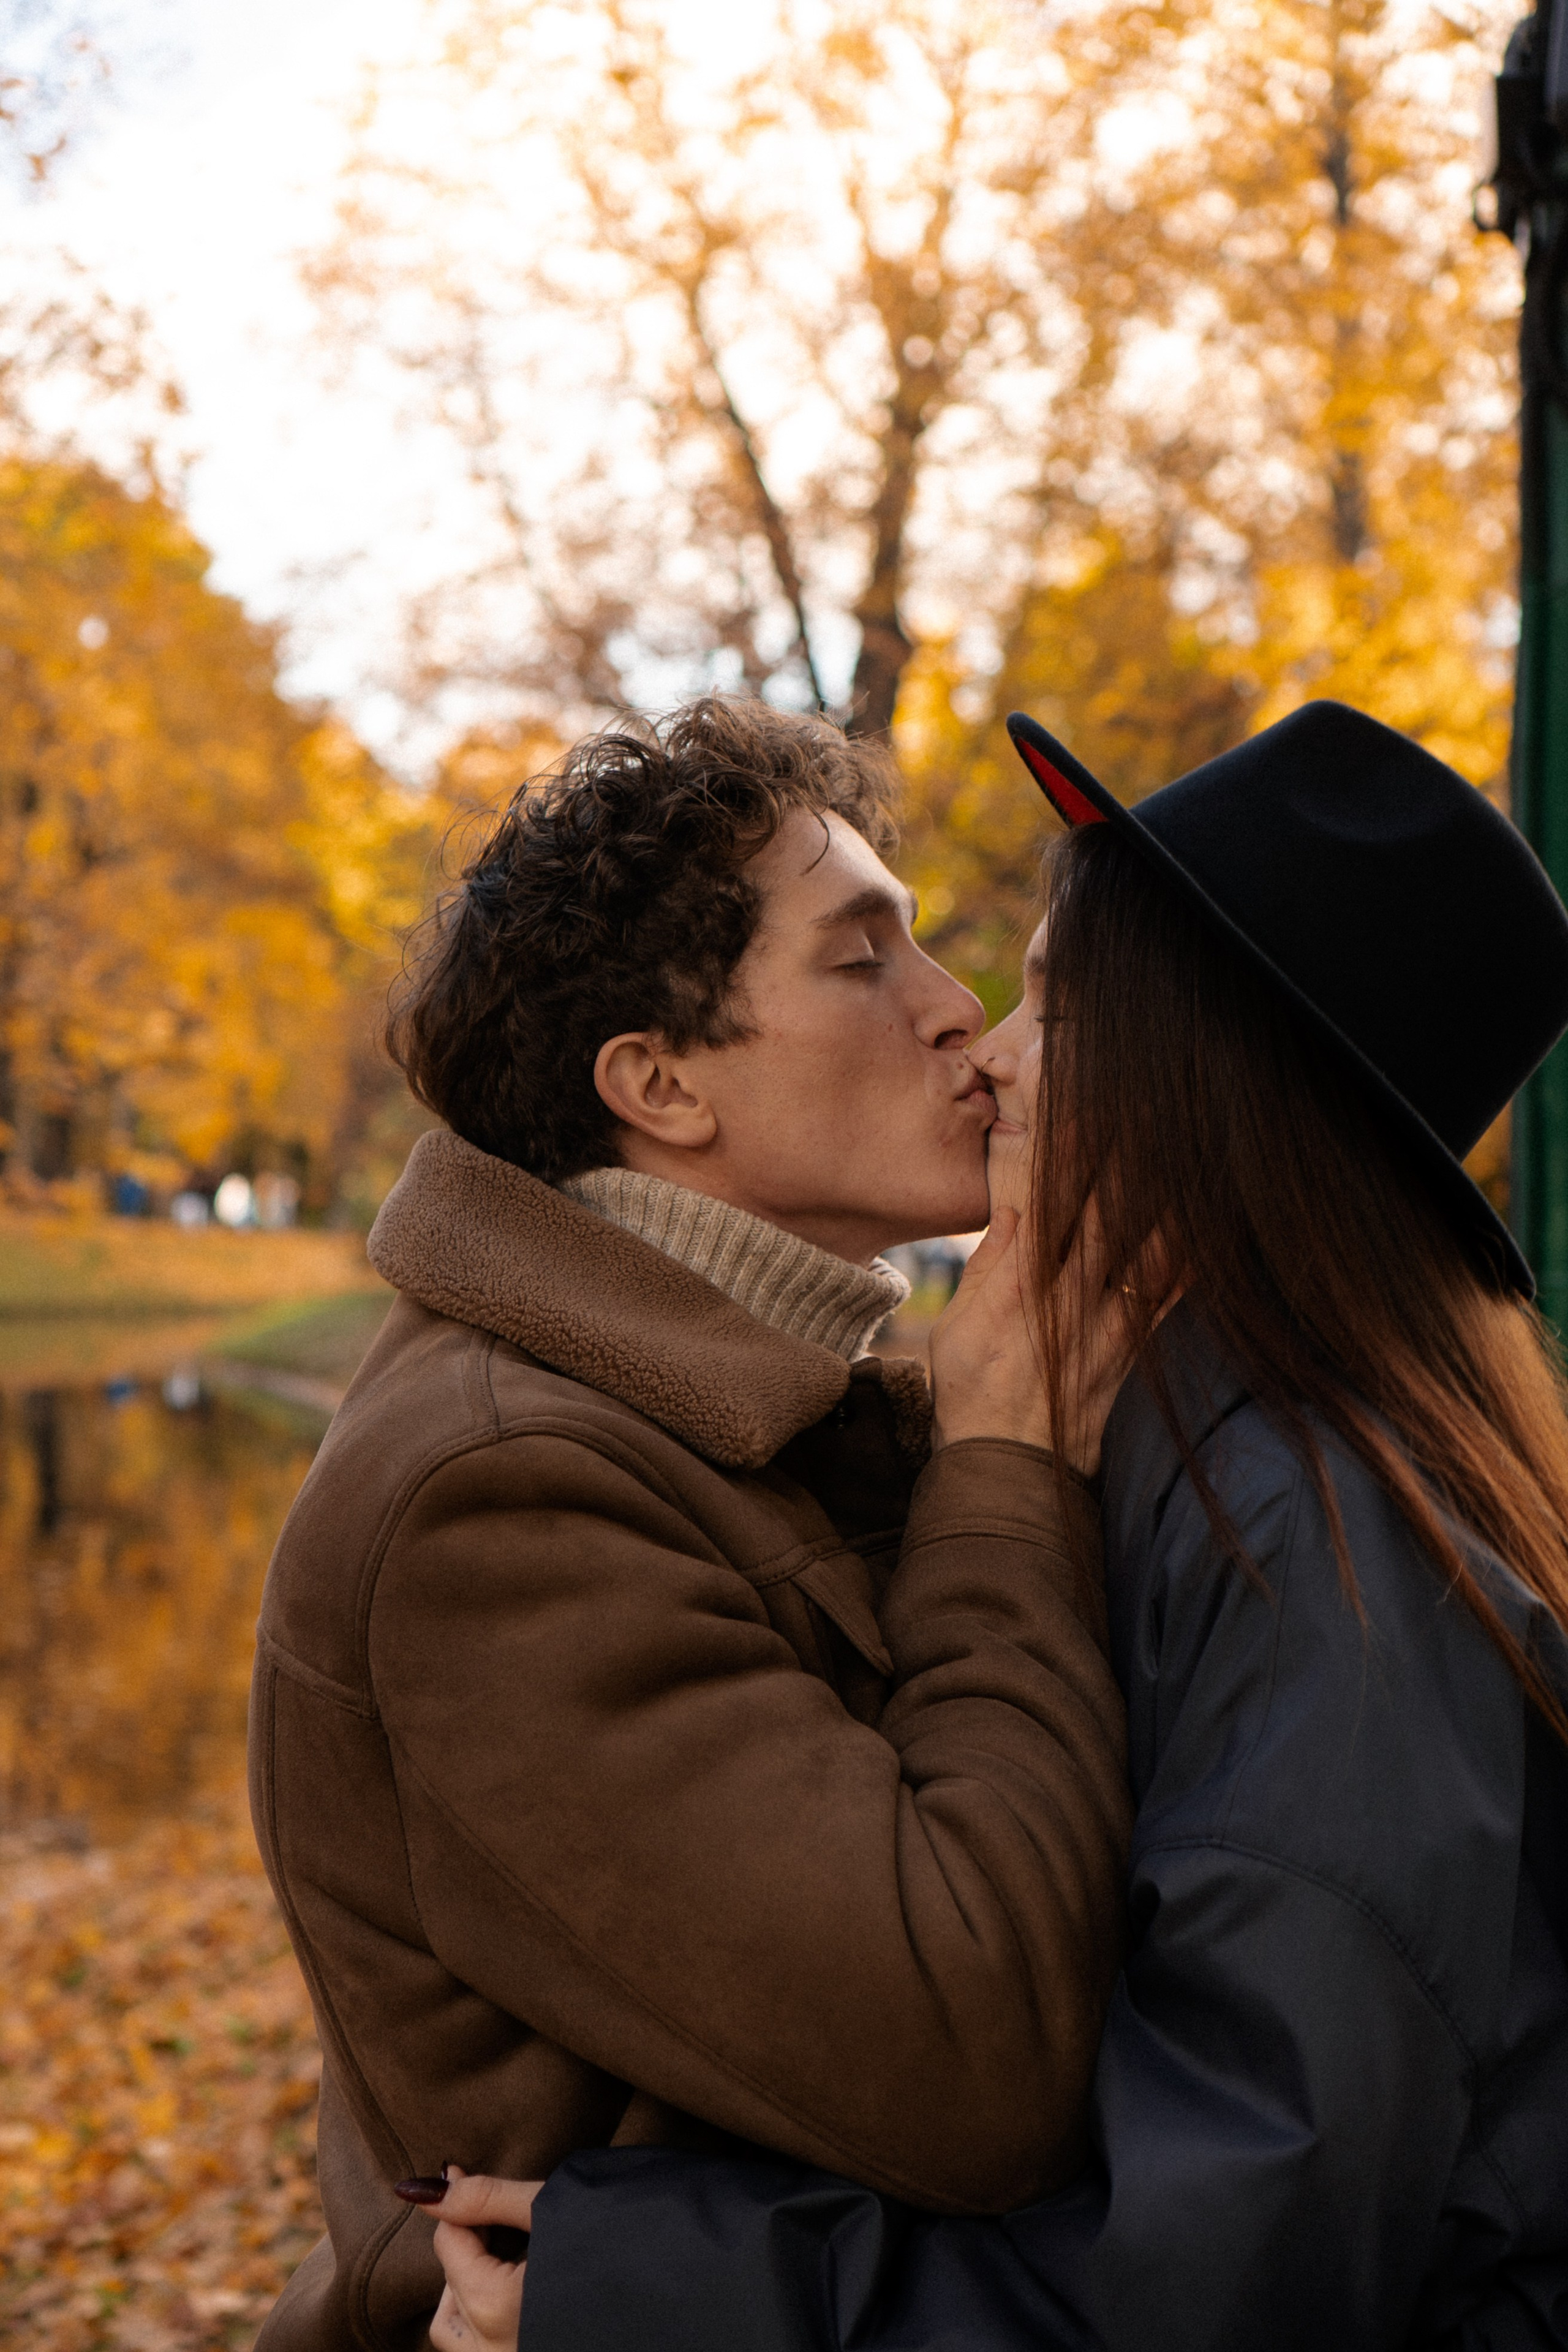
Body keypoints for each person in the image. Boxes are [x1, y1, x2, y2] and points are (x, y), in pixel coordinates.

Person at [424, 701, 1568, 2352]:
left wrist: (648, 2286)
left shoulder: (1310, 1535)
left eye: (1056, 998)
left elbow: (1244, 2276)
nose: (992, 1043)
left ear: (1207, 1066)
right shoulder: (1198, 1446)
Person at [247, 696, 1140, 2352]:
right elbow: (968, 2057)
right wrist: (1004, 1473)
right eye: (863, 960)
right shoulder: (499, 1498)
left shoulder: (755, 1408)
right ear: (659, 1085)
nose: (960, 1016)